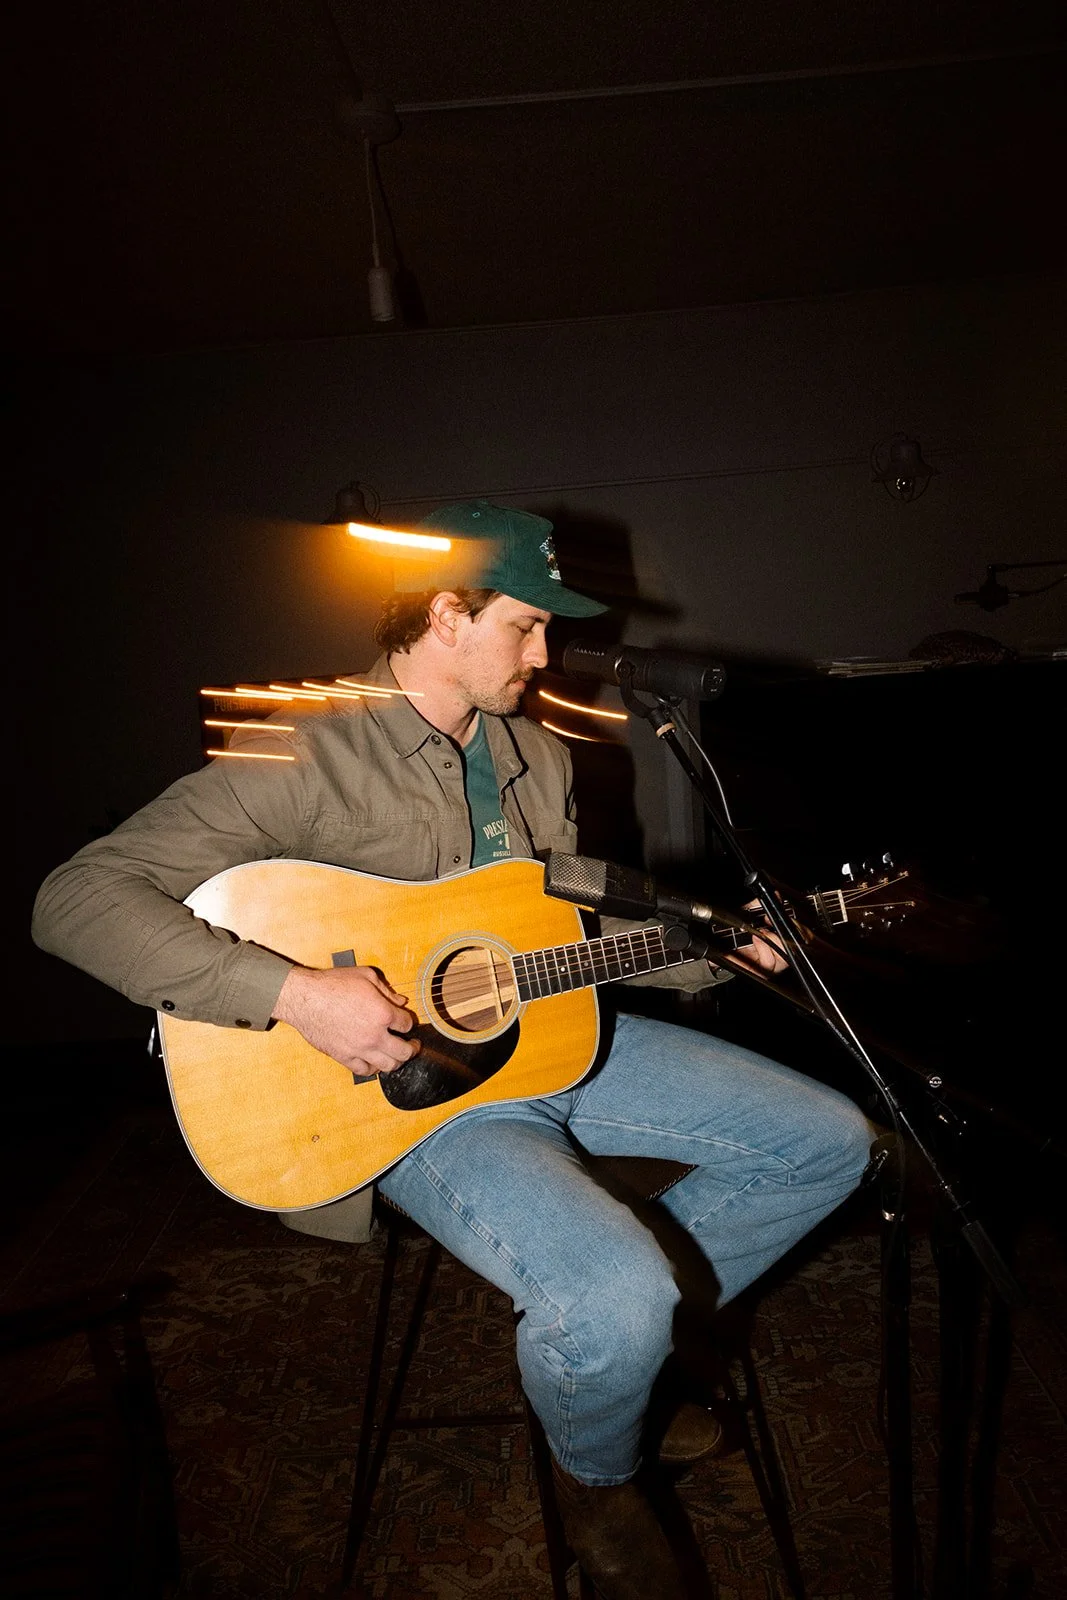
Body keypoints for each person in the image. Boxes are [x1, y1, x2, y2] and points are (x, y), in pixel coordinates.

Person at [33, 500, 875, 1599]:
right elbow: (74, 898)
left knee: (829, 1140)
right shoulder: (300, 749)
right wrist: (290, 991)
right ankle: (598, 1475)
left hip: (554, 1043)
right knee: (615, 1294)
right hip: (407, 1097)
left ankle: (625, 1367)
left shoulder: (537, 755)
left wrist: (720, 948)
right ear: (445, 613)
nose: (544, 655)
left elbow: (559, 941)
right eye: (526, 628)